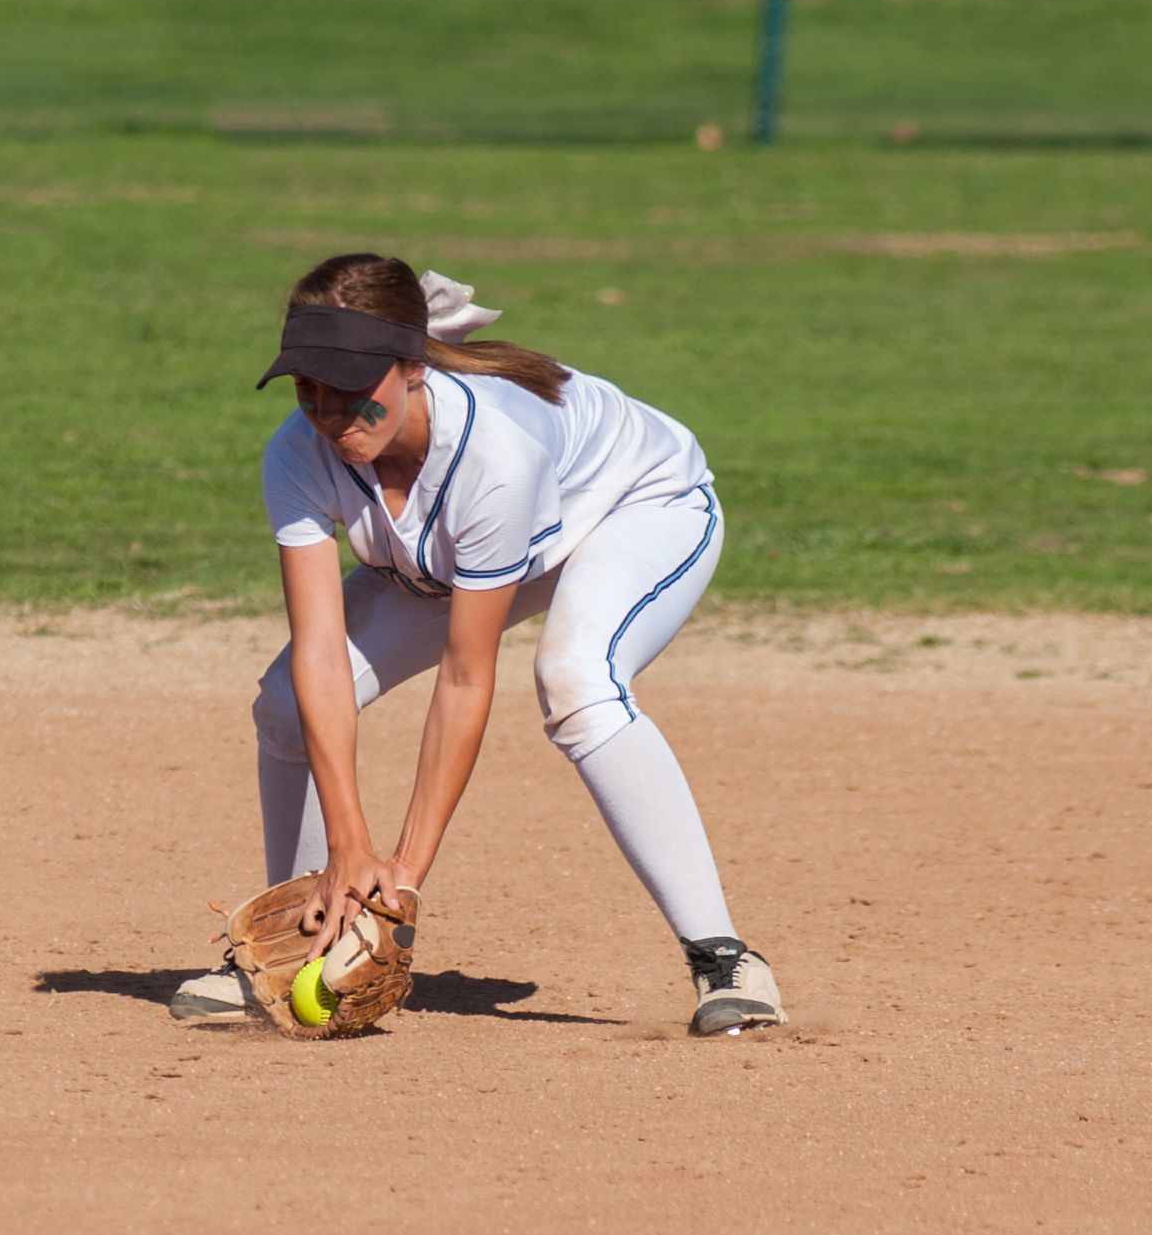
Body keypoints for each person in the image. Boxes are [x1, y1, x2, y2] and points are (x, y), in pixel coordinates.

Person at [170, 253, 784, 1036]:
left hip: (639, 507)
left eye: (352, 387)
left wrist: (401, 884)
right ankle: (310, 934)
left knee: (577, 681)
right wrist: (349, 850)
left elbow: (465, 675)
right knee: (288, 699)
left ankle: (725, 958)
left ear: (411, 368)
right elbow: (319, 654)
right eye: (308, 388)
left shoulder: (493, 453)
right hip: (466, 552)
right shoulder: (297, 454)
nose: (330, 410)